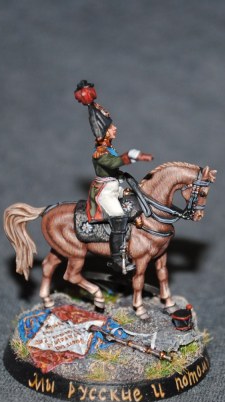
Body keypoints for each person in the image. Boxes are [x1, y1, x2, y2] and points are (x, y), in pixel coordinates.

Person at [74, 80, 153, 273]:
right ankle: (117, 259)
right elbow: (114, 163)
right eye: (111, 128)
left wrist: (123, 175)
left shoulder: (110, 149)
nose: (115, 129)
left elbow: (115, 169)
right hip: (105, 193)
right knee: (119, 217)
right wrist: (133, 156)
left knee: (135, 203)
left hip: (114, 187)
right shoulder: (100, 154)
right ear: (105, 133)